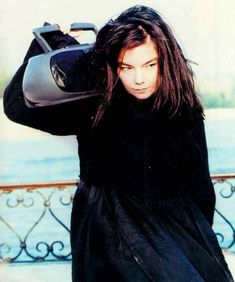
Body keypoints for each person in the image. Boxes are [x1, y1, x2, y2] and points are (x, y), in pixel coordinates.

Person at [3, 5, 234, 282]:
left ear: (166, 61)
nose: (139, 78)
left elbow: (200, 185)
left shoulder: (182, 109)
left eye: (150, 65)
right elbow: (17, 105)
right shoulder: (97, 105)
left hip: (175, 233)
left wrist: (198, 242)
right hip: (110, 236)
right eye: (127, 67)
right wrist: (48, 41)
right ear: (114, 65)